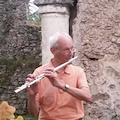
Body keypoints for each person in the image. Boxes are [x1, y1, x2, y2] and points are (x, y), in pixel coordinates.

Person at [26, 32, 92, 120]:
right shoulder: (39, 72)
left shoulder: (78, 71)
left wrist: (60, 85)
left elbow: (87, 97)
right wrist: (32, 95)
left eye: (72, 48)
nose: (71, 53)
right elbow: (33, 113)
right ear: (53, 51)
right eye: (66, 50)